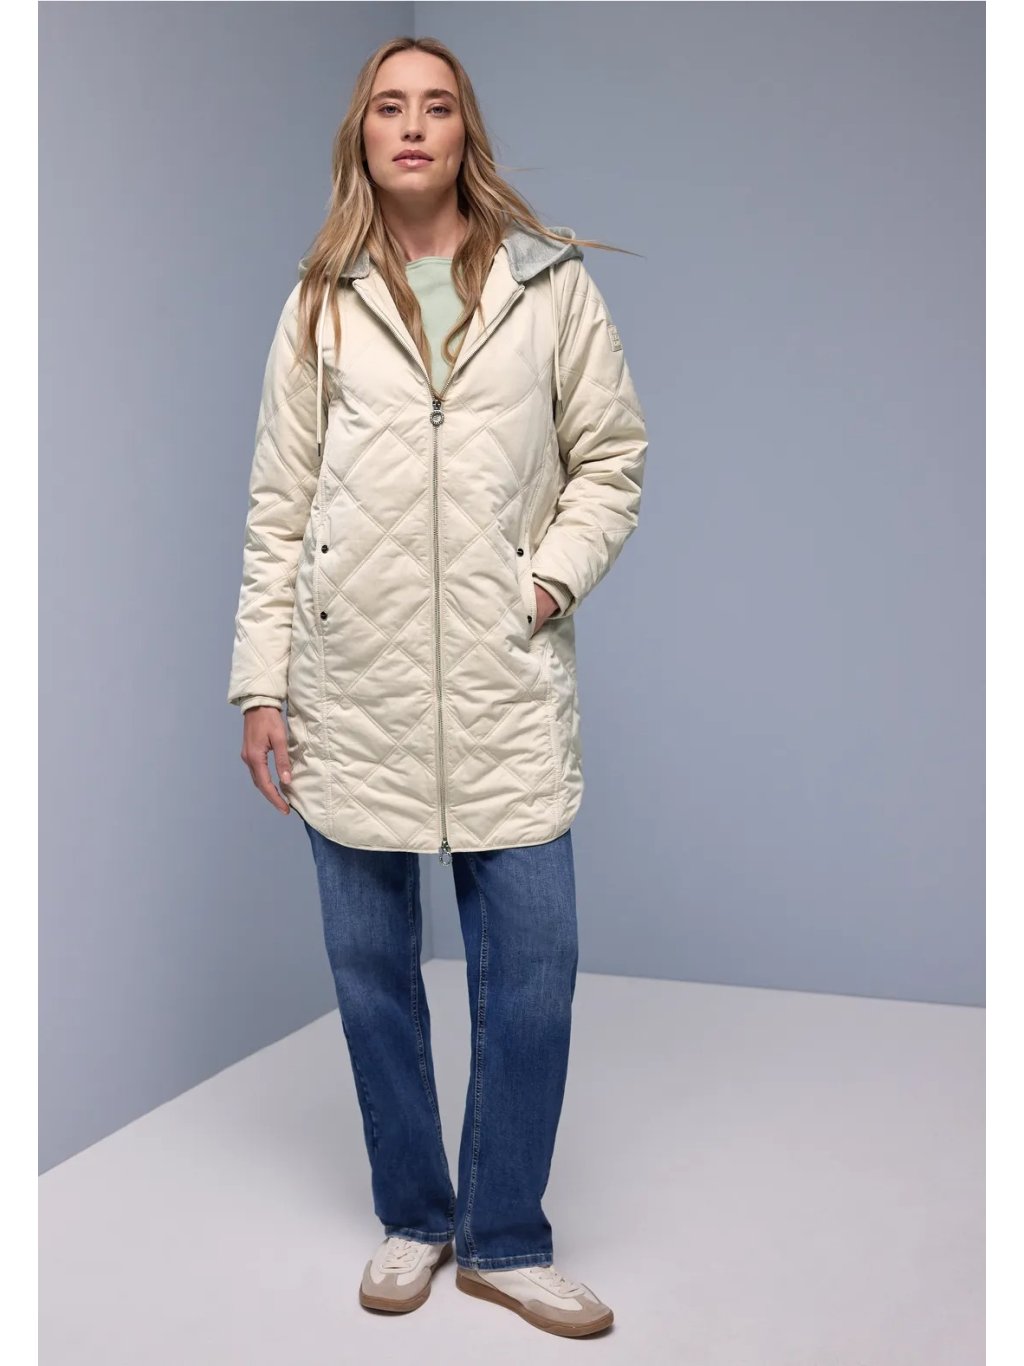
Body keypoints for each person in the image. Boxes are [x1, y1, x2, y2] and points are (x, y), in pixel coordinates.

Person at [227, 34, 647, 1339]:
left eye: (438, 107)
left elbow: (612, 458)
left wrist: (547, 581)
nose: (413, 126)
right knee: (372, 975)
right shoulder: (319, 302)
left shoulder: (549, 285)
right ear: (361, 135)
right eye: (389, 107)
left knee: (533, 974)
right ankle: (416, 1214)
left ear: (468, 133)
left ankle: (505, 1238)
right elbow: (278, 508)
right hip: (348, 687)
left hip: (506, 686)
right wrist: (260, 685)